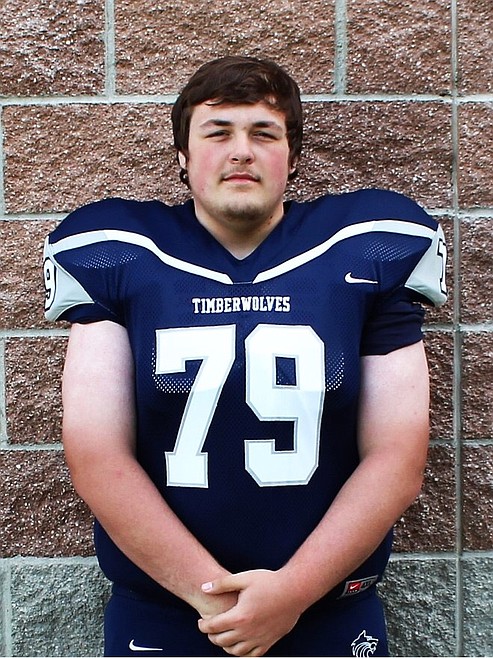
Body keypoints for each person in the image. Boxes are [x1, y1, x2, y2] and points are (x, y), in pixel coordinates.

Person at [43, 56, 447, 657]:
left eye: (264, 133)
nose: (241, 151)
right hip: (165, 611)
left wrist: (292, 593)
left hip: (329, 609)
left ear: (292, 156)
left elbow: (398, 455)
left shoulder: (366, 249)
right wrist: (215, 599)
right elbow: (97, 454)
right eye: (217, 132)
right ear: (183, 156)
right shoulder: (119, 253)